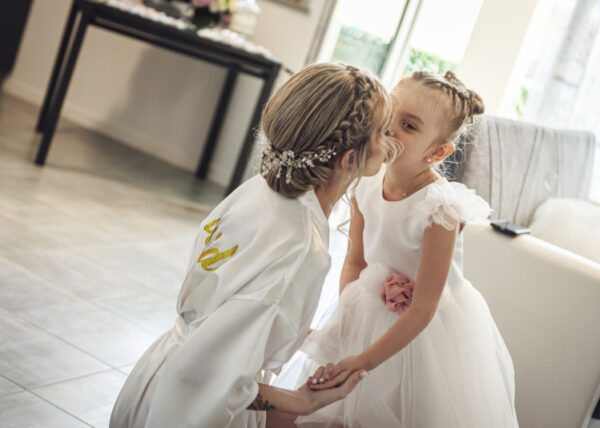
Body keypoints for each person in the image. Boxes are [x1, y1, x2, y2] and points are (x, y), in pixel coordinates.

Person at [109, 62, 398, 428]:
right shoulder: (301, 249)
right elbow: (215, 377)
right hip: (191, 408)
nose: (391, 145)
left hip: (156, 376)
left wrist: (322, 339)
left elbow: (232, 309)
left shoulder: (261, 189)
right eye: (383, 132)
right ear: (349, 158)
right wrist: (303, 400)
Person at [277, 71, 519, 428]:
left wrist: (365, 360)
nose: (390, 128)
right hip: (368, 308)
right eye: (389, 115)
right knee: (332, 404)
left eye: (408, 126)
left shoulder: (439, 208)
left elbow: (423, 307)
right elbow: (355, 261)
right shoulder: (366, 182)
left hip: (424, 329)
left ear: (437, 151)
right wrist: (347, 322)